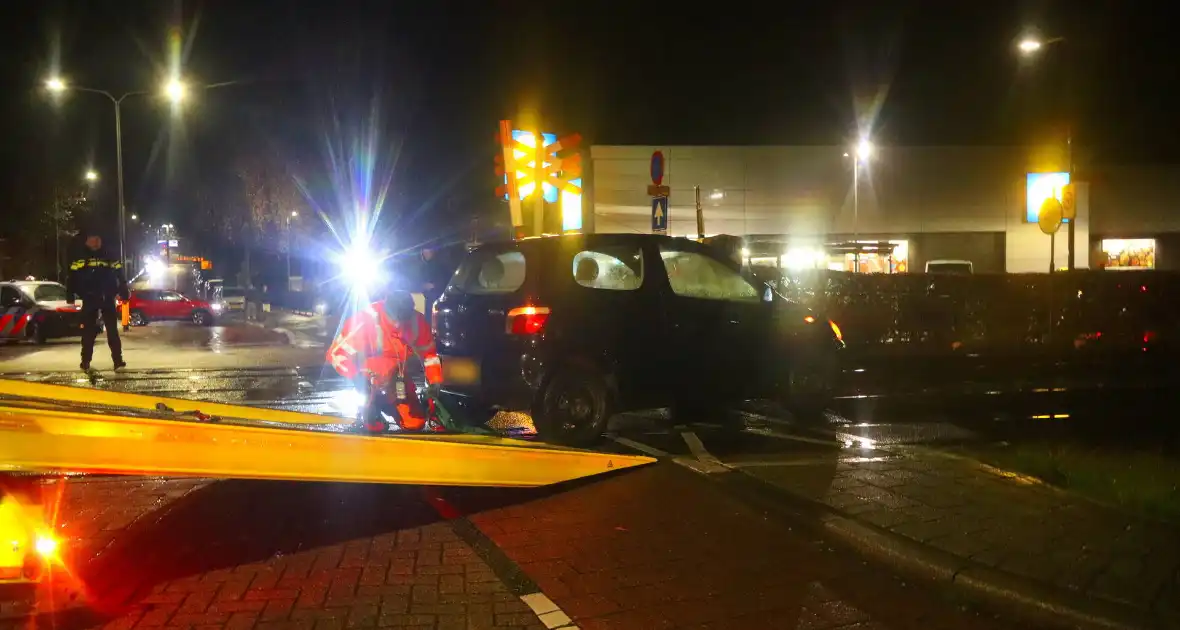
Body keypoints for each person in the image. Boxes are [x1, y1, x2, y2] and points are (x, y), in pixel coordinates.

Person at [326, 289, 443, 432]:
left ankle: (389, 405)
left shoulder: (416, 322)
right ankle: (370, 410)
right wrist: (357, 377)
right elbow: (336, 354)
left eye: (403, 319)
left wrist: (434, 381)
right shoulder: (366, 319)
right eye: (395, 319)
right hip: (370, 380)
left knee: (415, 423)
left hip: (396, 378)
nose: (399, 325)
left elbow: (429, 355)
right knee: (373, 427)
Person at [67, 230, 129, 371]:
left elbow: (119, 273)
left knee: (112, 331)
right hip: (89, 297)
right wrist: (70, 294)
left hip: (107, 296)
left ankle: (118, 361)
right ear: (87, 241)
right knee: (88, 332)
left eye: (97, 239)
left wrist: (123, 289)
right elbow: (72, 277)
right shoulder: (80, 256)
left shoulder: (109, 255)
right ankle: (85, 361)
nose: (95, 242)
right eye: (92, 239)